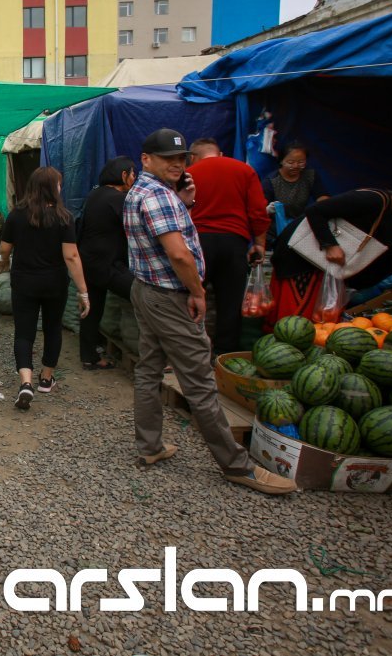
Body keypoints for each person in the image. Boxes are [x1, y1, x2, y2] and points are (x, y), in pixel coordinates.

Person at [124, 128, 295, 494]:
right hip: (169, 296)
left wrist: (184, 203)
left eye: (181, 158)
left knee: (149, 368)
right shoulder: (159, 197)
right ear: (146, 159)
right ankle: (236, 466)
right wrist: (198, 291)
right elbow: (179, 253)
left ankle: (149, 446)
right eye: (168, 159)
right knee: (199, 380)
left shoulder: (144, 191)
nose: (177, 164)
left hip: (147, 290)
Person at [268, 178, 392, 325]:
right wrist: (329, 244)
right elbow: (316, 211)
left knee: (320, 324)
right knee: (295, 324)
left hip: (332, 273)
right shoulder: (374, 201)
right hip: (302, 260)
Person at [0, 167, 89, 411]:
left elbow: (4, 248)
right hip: (54, 283)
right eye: (58, 184)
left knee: (24, 333)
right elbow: (72, 256)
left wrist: (4, 260)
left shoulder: (17, 215)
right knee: (52, 328)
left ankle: (26, 382)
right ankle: (46, 379)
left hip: (24, 282)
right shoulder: (63, 217)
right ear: (51, 187)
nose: (60, 189)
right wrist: (83, 290)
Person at [187, 138, 271, 355]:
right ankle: (224, 354)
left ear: (193, 156)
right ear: (220, 153)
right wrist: (259, 244)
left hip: (199, 242)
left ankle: (190, 351)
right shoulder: (244, 171)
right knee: (230, 302)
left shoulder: (189, 173)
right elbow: (258, 212)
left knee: (192, 295)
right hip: (234, 242)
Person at [76, 157, 137, 369]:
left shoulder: (95, 195)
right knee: (144, 297)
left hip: (89, 261)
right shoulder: (118, 199)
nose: (134, 179)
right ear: (123, 176)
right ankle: (156, 356)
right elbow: (136, 230)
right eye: (132, 174)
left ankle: (89, 356)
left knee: (91, 310)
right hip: (107, 263)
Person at [262, 143, 330, 239]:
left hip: (300, 226)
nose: (296, 166)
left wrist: (322, 206)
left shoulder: (310, 176)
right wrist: (269, 209)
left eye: (301, 162)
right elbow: (261, 211)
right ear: (281, 161)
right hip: (275, 230)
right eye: (290, 162)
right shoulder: (270, 181)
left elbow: (322, 195)